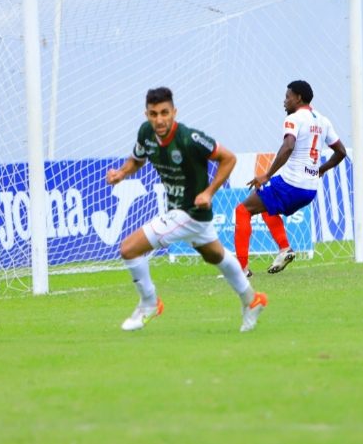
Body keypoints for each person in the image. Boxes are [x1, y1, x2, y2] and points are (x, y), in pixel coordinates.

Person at [106, 87, 267, 333]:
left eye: (164, 113)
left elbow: (229, 158)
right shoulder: (146, 133)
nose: (159, 119)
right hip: (185, 213)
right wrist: (121, 173)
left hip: (189, 212)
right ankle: (252, 300)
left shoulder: (190, 138)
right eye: (153, 114)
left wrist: (209, 192)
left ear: (174, 112)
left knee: (129, 249)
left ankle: (150, 304)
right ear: (146, 114)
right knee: (215, 256)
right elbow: (137, 159)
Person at [234, 80, 347, 273]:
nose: (284, 101)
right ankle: (284, 248)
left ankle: (241, 269)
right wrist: (320, 170)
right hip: (309, 189)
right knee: (267, 205)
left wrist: (267, 175)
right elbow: (341, 152)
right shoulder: (323, 120)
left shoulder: (294, 119)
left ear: (298, 98)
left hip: (291, 184)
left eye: (288, 97)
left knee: (242, 211)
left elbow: (288, 146)